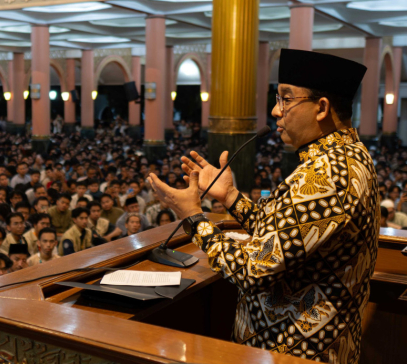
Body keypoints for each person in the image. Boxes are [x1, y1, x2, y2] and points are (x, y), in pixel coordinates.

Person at [148, 49, 377, 362]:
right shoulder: (348, 156)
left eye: (286, 98)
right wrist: (230, 197)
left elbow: (253, 269)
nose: (275, 110)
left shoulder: (328, 175)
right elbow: (286, 238)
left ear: (322, 108)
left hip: (296, 350)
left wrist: (193, 218)